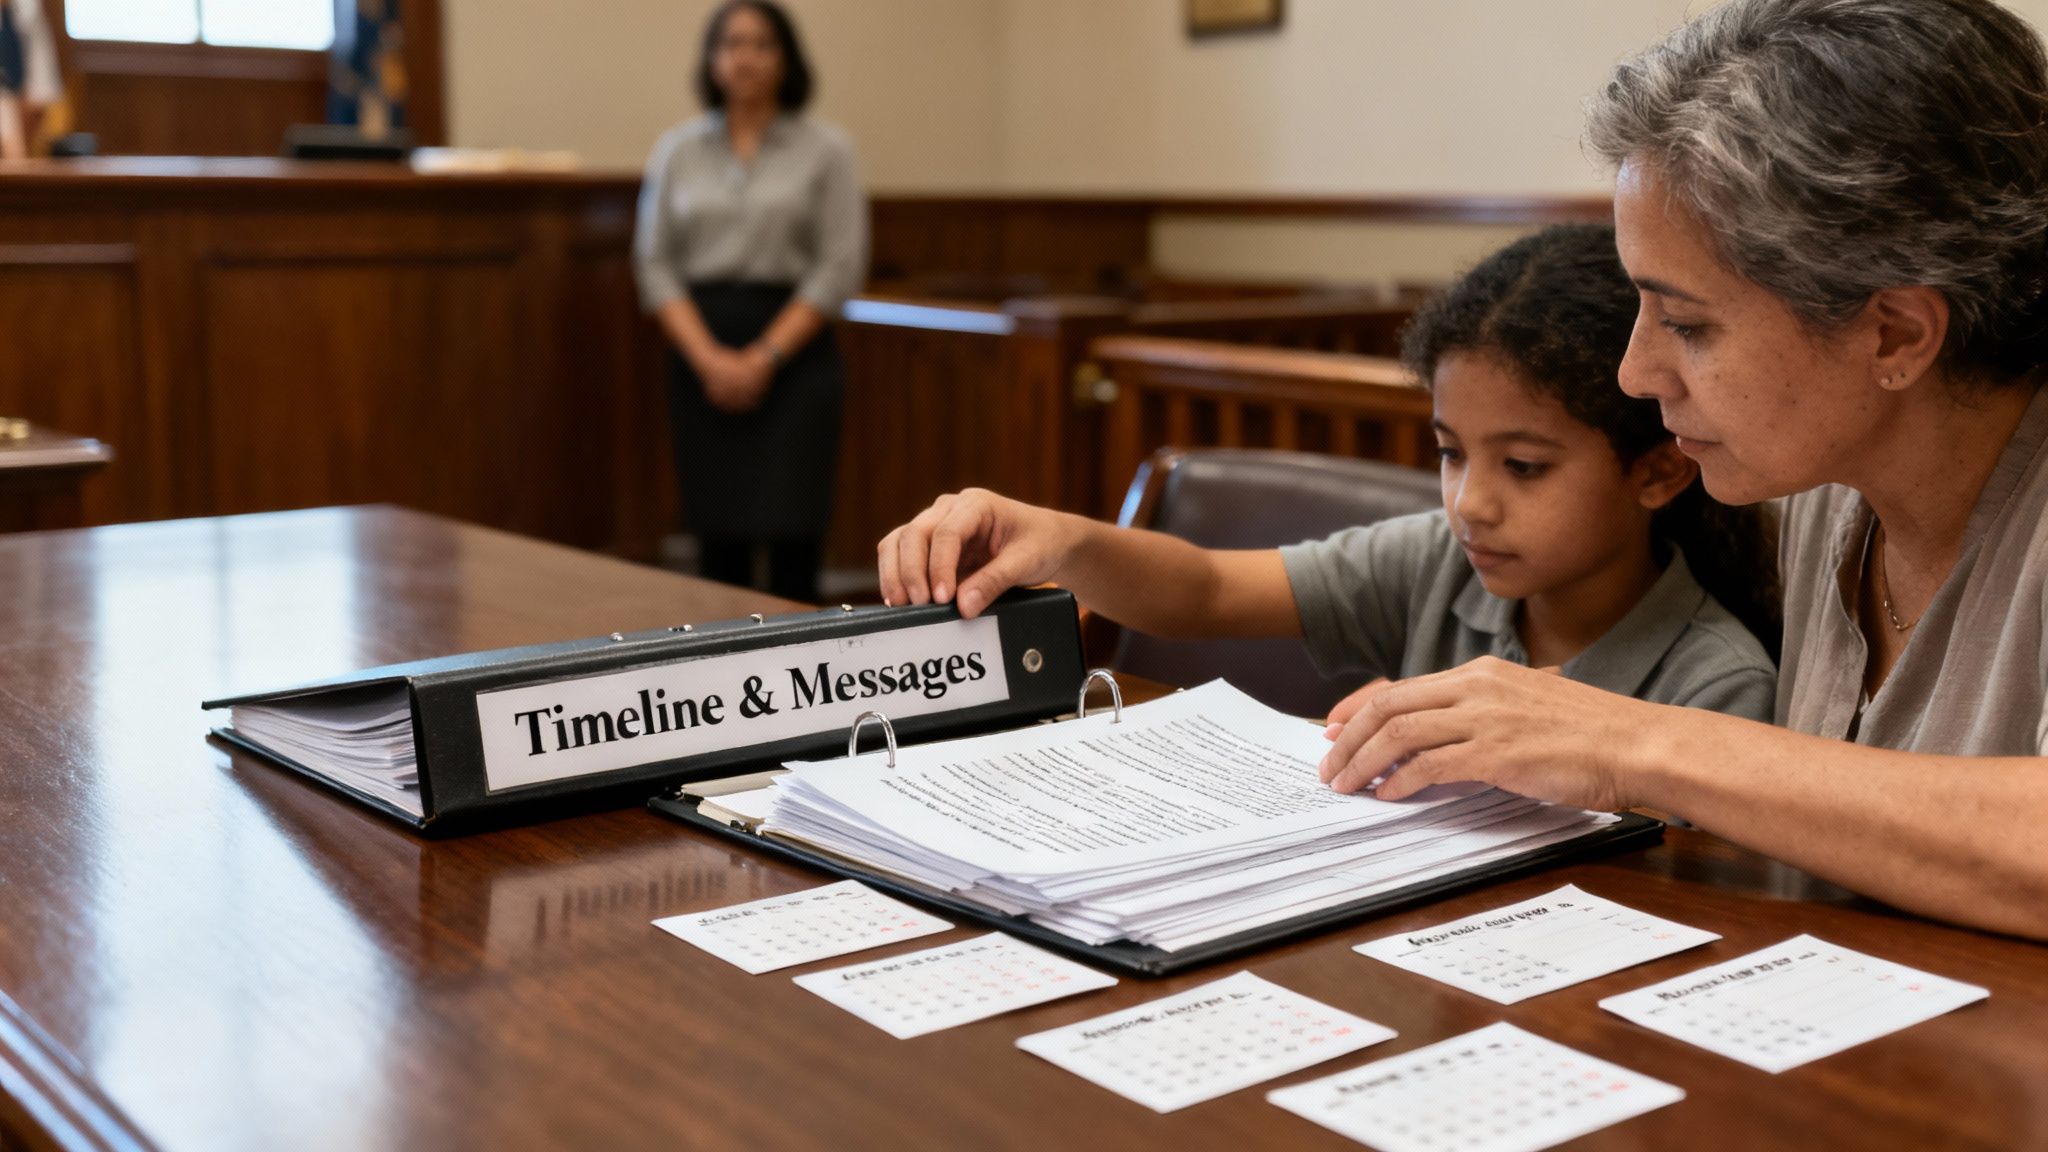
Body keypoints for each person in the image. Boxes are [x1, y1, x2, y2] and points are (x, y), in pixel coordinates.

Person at [1309, 0, 2048, 942]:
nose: (1635, 372)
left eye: (1688, 325)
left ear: (1894, 332)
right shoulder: (1821, 477)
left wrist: (1630, 741)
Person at [877, 223, 1780, 739]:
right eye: (1450, 452)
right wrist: (1064, 540)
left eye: (1525, 466)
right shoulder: (1443, 564)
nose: (1471, 502)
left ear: (1659, 470)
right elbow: (1203, 590)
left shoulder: (1717, 683)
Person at [634, 0, 867, 603]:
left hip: (796, 354)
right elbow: (654, 263)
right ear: (712, 60)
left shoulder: (827, 149)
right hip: (700, 353)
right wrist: (710, 360)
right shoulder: (678, 150)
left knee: (795, 538)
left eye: (762, 43)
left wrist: (763, 358)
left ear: (786, 59)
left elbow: (839, 264)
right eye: (731, 43)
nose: (746, 56)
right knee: (719, 543)